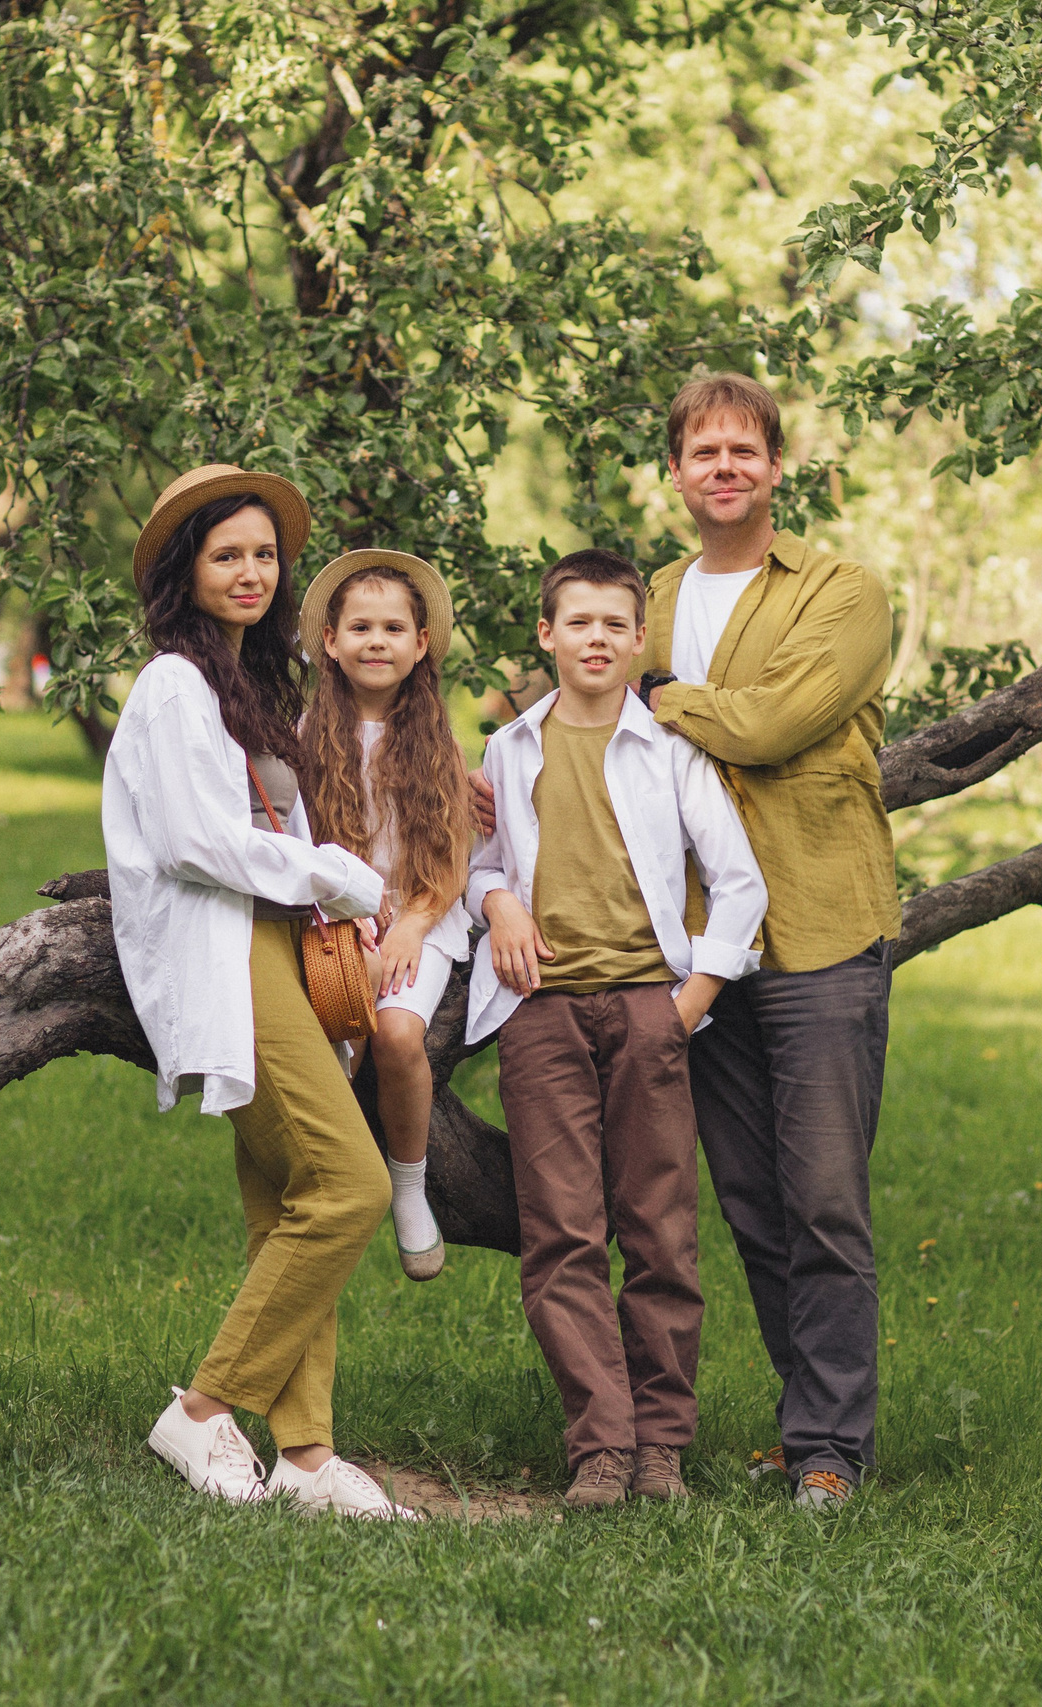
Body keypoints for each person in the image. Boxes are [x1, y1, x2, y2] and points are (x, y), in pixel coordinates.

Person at [102, 463, 421, 1520]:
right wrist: (335, 874)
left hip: (275, 948)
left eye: (263, 555)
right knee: (351, 1187)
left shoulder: (245, 684)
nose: (249, 571)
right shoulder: (174, 685)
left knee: (288, 1205)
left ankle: (308, 1458)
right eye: (225, 554)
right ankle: (203, 1409)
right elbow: (196, 842)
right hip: (224, 949)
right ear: (184, 572)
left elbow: (264, 824)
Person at [642, 373, 900, 1512]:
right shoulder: (649, 595)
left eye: (744, 450)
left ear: (776, 467)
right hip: (696, 948)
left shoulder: (844, 593)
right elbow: (597, 724)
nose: (725, 468)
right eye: (704, 452)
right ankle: (810, 1434)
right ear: (677, 473)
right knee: (748, 1200)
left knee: (824, 1200)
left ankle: (835, 1452)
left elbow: (781, 722)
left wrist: (663, 699)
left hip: (819, 929)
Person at [465, 548, 769, 1510]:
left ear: (640, 642)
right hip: (542, 1015)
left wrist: (692, 1000)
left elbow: (740, 882)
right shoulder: (510, 750)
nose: (596, 639)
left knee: (660, 1232)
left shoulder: (669, 751)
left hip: (650, 1008)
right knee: (561, 1232)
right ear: (546, 634)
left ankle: (662, 1446)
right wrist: (497, 903)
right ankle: (601, 1443)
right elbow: (474, 864)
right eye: (578, 622)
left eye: (615, 625)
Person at [297, 550, 471, 1281]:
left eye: (394, 627)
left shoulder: (436, 737)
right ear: (330, 641)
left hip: (422, 915)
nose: (377, 640)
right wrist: (352, 920)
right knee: (339, 1030)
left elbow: (452, 853)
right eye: (360, 626)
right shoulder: (308, 732)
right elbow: (298, 845)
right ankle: (323, 1182)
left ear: (421, 642)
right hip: (334, 916)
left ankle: (407, 1185)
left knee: (398, 1032)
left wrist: (411, 924)